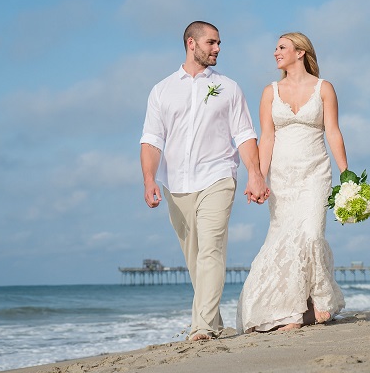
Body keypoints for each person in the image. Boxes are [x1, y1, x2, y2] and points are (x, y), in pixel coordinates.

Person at [140, 21, 269, 341]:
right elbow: (152, 140)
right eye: (212, 42)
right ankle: (214, 323)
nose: (218, 48)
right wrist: (149, 179)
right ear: (191, 43)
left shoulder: (229, 88)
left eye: (219, 43)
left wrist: (255, 174)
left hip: (218, 176)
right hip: (176, 184)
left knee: (211, 250)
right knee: (195, 258)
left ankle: (200, 327)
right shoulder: (162, 90)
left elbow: (245, 135)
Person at [236, 32, 348, 333]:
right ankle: (292, 313)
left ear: (301, 52)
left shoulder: (324, 88)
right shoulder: (270, 91)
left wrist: (346, 173)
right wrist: (257, 177)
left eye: (282, 47)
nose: (275, 53)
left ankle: (321, 300)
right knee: (283, 240)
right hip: (282, 177)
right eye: (275, 48)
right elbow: (268, 137)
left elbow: (333, 132)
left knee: (311, 234)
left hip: (315, 172)